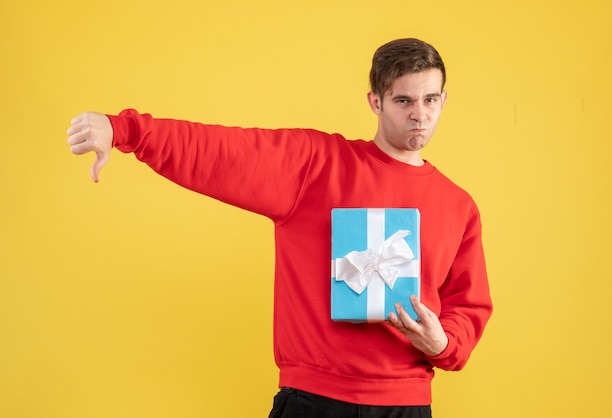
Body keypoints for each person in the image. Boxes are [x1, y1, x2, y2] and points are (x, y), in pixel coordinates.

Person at [67, 38, 492, 418]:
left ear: (444, 99)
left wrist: (444, 344)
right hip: (311, 400)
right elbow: (218, 153)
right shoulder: (314, 165)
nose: (420, 115)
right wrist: (123, 129)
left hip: (407, 405)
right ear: (375, 102)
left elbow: (467, 307)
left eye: (431, 100)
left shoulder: (459, 206)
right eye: (404, 101)